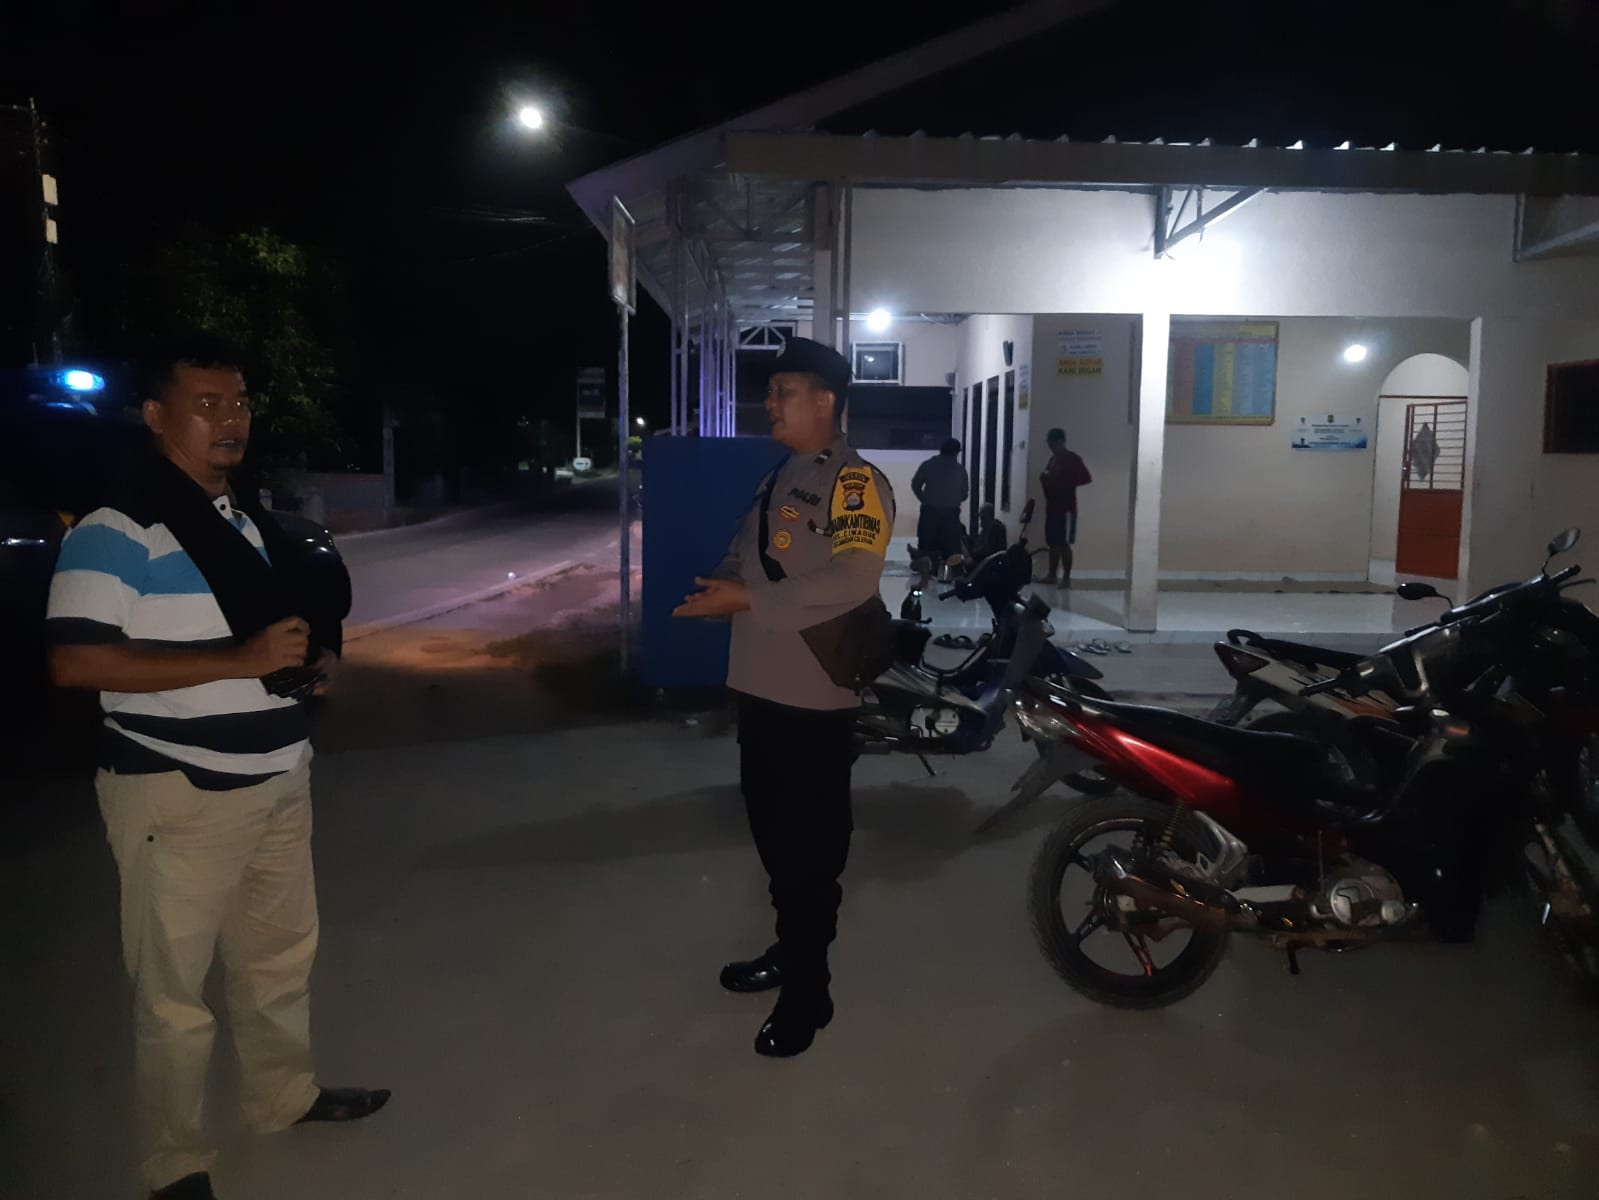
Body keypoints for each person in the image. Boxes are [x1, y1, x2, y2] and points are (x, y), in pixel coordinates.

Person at [46, 336, 388, 1200]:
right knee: (172, 994)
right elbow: (77, 662)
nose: (229, 419)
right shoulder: (115, 528)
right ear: (155, 416)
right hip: (177, 791)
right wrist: (240, 660)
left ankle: (282, 1095)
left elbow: (278, 631)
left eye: (238, 403)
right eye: (205, 404)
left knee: (277, 960)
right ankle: (174, 1161)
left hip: (278, 777)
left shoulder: (244, 520)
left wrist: (314, 663)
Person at [673, 336, 894, 1058]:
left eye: (783, 391)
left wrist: (746, 599)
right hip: (761, 688)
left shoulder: (854, 482)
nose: (769, 402)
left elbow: (854, 577)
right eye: (770, 392)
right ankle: (789, 951)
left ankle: (809, 992)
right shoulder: (782, 476)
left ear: (825, 400)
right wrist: (723, 583)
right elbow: (751, 555)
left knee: (810, 853)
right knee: (774, 839)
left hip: (812, 698)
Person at [1038, 427, 1092, 588]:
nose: (1051, 447)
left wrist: (1063, 480)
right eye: (1049, 444)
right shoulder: (1053, 460)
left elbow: (1086, 478)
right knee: (1053, 542)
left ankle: (1066, 578)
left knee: (1064, 543)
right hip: (1052, 507)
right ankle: (1052, 575)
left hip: (1066, 509)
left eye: (1053, 444)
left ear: (1061, 442)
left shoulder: (1072, 459)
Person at [910, 437, 967, 562]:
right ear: (956, 453)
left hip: (930, 512)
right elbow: (964, 494)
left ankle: (924, 566)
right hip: (951, 514)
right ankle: (949, 570)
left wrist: (925, 499)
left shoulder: (928, 465)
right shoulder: (960, 470)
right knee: (952, 549)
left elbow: (915, 485)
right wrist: (952, 498)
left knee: (926, 546)